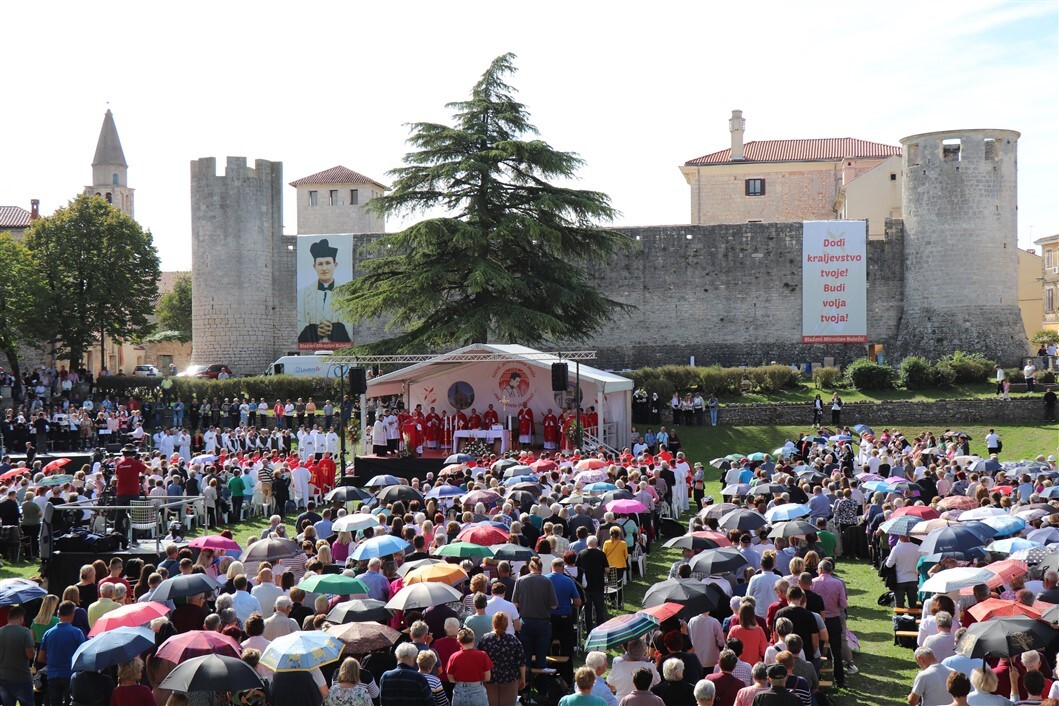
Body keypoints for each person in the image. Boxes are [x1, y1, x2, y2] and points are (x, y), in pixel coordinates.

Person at [298, 238, 352, 344]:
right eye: (320, 264)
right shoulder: (302, 294)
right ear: (314, 267)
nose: (324, 268)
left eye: (327, 263)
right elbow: (299, 322)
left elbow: (350, 323)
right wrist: (314, 329)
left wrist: (335, 328)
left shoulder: (347, 294)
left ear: (335, 264)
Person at [511, 557, 557, 670]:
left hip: (525, 622)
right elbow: (554, 605)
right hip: (543, 622)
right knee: (541, 658)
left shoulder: (520, 581)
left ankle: (526, 683)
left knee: (525, 658)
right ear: (541, 568)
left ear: (530, 567)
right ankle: (542, 685)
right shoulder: (547, 581)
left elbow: (515, 604)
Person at [38, 601, 86, 706]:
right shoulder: (77, 632)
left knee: (54, 702)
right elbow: (83, 655)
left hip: (53, 673)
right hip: (71, 674)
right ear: (72, 614)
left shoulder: (48, 633)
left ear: (58, 614)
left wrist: (52, 661)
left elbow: (40, 657)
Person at [478, 612, 526, 706]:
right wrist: (523, 678)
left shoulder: (485, 639)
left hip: (490, 678)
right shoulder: (513, 639)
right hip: (510, 678)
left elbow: (479, 660)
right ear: (507, 624)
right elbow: (521, 661)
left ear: (493, 623)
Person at [445, 627, 492, 706]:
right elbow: (487, 677)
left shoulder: (454, 657)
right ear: (473, 640)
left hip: (459, 692)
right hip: (478, 692)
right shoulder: (482, 655)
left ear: (459, 642)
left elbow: (451, 679)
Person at [0, 606, 35, 706]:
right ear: (21, 618)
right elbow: (30, 655)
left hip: (3, 678)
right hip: (21, 677)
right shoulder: (24, 632)